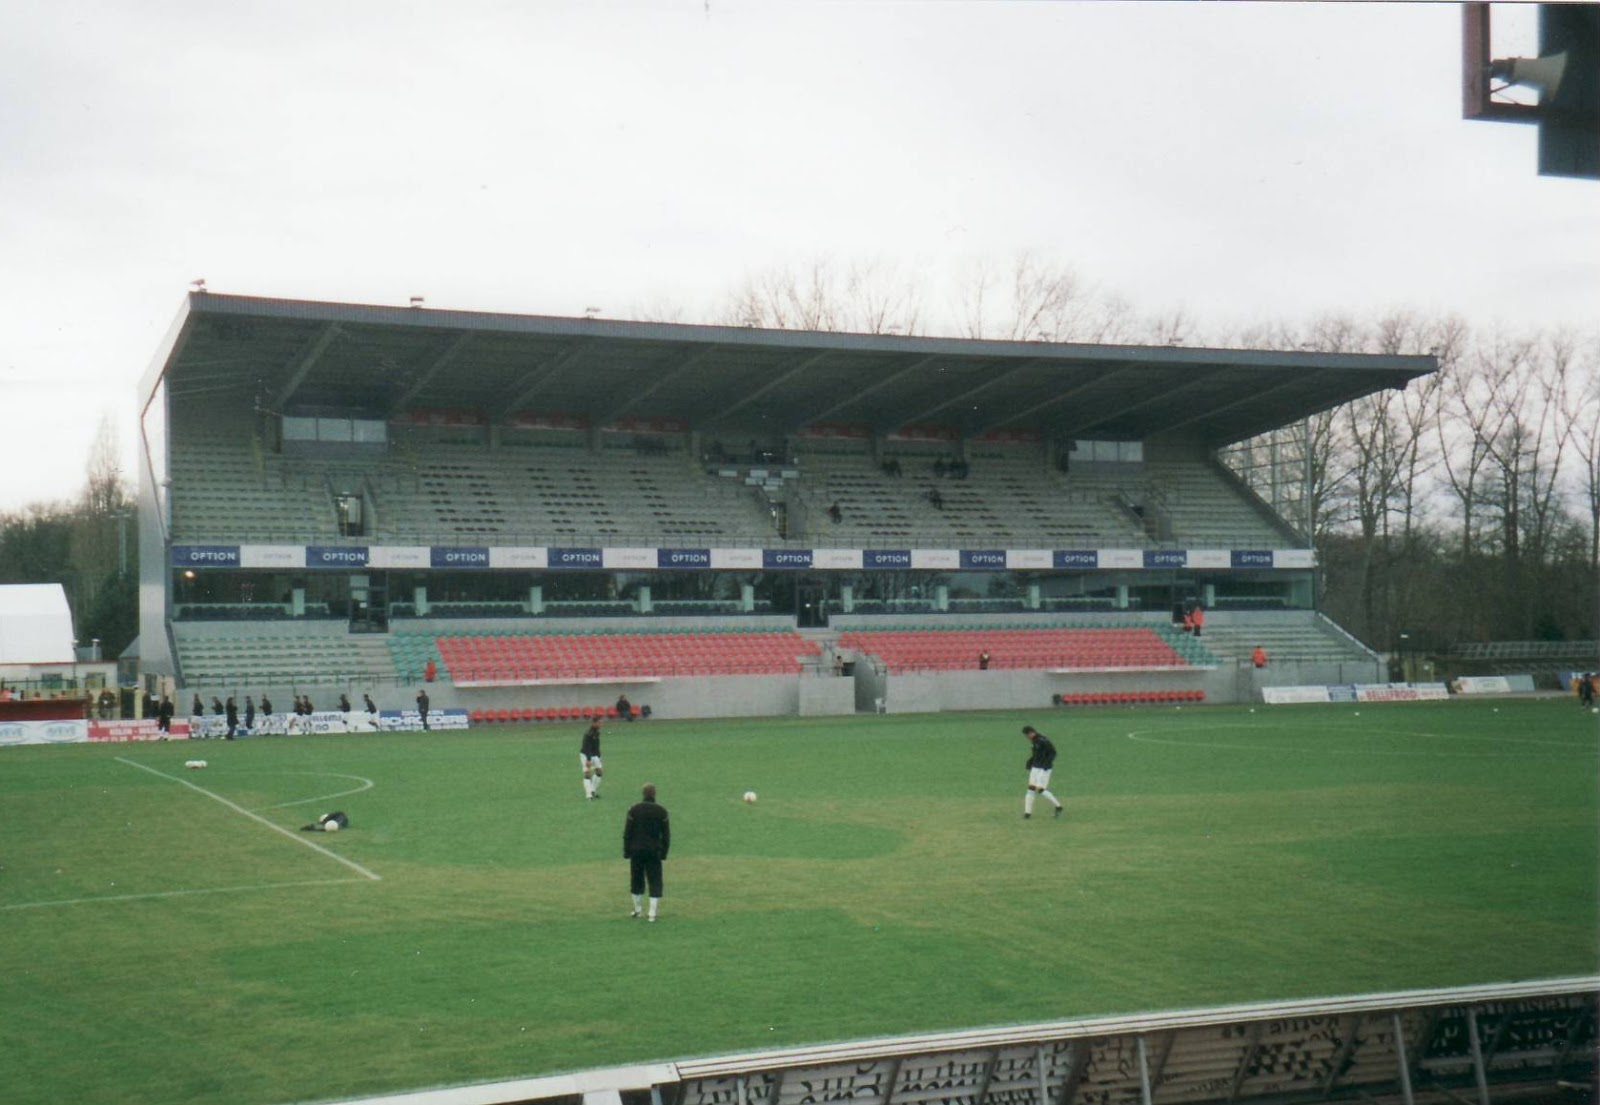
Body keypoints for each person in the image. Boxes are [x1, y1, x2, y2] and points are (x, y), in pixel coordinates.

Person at [623, 782, 671, 922]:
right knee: (654, 880)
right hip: (654, 850)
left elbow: (627, 833)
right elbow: (666, 835)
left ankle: (637, 910)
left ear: (643, 793)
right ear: (654, 794)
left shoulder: (634, 810)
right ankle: (652, 913)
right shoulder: (662, 811)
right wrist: (664, 853)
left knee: (636, 879)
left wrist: (626, 852)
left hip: (636, 850)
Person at [1020, 725, 1064, 820]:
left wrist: (1046, 764)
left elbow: (1053, 752)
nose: (1027, 737)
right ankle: (1027, 813)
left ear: (1031, 733)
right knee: (1031, 788)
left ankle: (1058, 806)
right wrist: (1030, 762)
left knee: (1040, 789)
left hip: (1044, 768)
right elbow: (1036, 754)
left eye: (1027, 735)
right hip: (1035, 767)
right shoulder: (1034, 741)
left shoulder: (1042, 740)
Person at [580, 716, 604, 799]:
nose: (601, 724)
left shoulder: (597, 733)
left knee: (599, 772)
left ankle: (593, 791)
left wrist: (599, 756)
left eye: (601, 723)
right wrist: (588, 759)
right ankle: (588, 795)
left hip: (595, 755)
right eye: (599, 723)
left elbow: (596, 746)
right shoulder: (588, 734)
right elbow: (586, 747)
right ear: (594, 723)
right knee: (587, 773)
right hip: (586, 755)